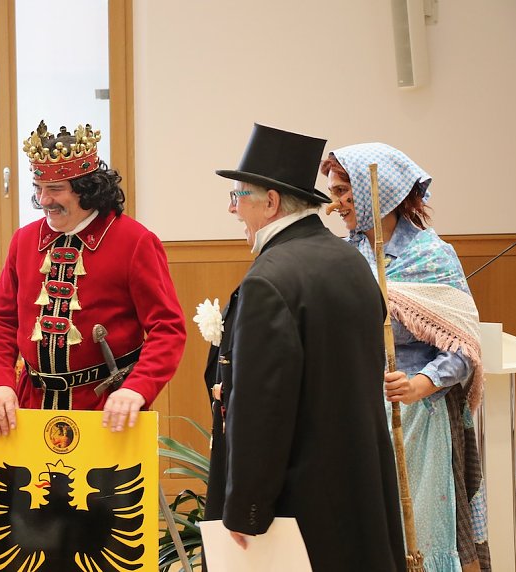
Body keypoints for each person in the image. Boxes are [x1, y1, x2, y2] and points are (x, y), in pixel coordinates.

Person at [203, 124, 406, 571]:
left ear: (271, 202)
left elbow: (263, 408)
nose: (233, 209)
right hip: (359, 486)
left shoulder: (268, 281)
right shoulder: (350, 261)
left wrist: (246, 507)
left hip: (302, 504)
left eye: (238, 196)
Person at [321, 143, 490, 571]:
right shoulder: (344, 255)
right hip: (357, 416)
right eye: (333, 193)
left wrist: (420, 383)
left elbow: (464, 347)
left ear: (376, 191)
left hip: (419, 419)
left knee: (419, 533)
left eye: (343, 192)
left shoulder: (431, 255)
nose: (335, 204)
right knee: (366, 531)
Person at [0, 120, 186, 435]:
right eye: (38, 188)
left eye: (55, 189)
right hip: (29, 411)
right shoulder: (24, 240)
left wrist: (138, 388)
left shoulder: (134, 242)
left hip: (107, 413)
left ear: (87, 189)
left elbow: (167, 329)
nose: (43, 200)